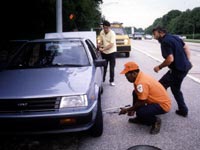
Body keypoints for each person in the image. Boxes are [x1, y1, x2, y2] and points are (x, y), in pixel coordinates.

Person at [119, 61, 171, 134]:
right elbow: (139, 96)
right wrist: (133, 109)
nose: (126, 78)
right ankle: (141, 118)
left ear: (134, 73)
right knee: (135, 93)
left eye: (127, 75)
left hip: (163, 105)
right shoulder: (140, 76)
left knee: (141, 111)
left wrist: (127, 110)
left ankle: (155, 121)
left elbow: (141, 102)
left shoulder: (141, 82)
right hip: (155, 101)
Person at [152, 26, 192, 117]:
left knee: (160, 86)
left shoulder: (165, 42)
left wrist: (159, 67)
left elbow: (170, 59)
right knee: (175, 89)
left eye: (155, 34)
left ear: (161, 33)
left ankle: (159, 106)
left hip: (177, 70)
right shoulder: (174, 37)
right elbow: (186, 47)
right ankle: (183, 110)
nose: (154, 37)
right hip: (184, 68)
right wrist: (186, 61)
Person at [98, 20, 117, 86]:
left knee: (111, 68)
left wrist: (103, 49)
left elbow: (111, 44)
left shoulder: (112, 34)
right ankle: (102, 80)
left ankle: (111, 81)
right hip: (104, 53)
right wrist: (99, 44)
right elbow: (100, 40)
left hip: (112, 52)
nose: (106, 29)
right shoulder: (102, 32)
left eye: (107, 28)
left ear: (109, 27)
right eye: (104, 28)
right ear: (103, 27)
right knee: (104, 67)